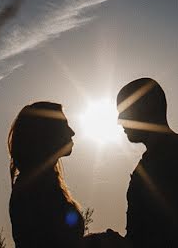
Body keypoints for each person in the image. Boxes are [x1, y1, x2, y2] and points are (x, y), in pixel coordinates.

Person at [8, 102, 128, 248]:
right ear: (47, 133)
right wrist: (99, 242)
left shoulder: (41, 185)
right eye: (64, 125)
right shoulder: (32, 190)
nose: (72, 132)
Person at [116, 78, 178, 248]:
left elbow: (163, 236)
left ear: (145, 108)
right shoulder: (166, 154)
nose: (119, 120)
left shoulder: (171, 157)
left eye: (124, 111)